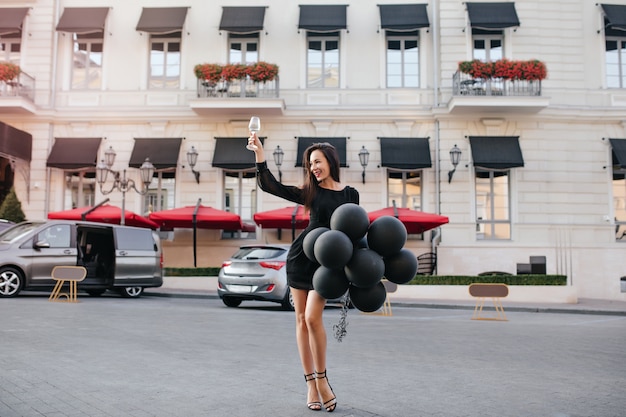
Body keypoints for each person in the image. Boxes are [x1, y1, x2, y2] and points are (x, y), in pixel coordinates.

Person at [248, 133, 359, 413]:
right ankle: (311, 384)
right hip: (302, 258)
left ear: (331, 162)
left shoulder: (350, 194)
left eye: (317, 162)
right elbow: (270, 186)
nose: (313, 168)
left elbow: (356, 230)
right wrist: (260, 155)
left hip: (327, 262)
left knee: (312, 318)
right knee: (300, 319)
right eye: (310, 164)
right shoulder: (311, 190)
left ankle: (323, 380)